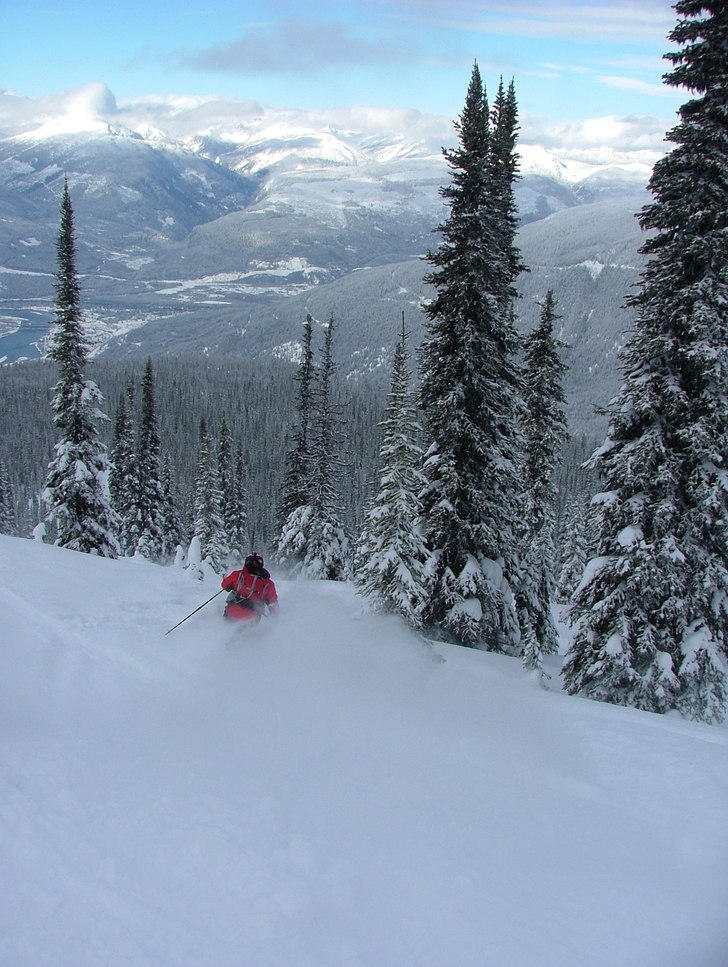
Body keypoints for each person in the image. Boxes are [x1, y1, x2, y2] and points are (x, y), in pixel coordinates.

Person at [221, 552, 279, 623]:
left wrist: (225, 579)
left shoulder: (237, 575)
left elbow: (224, 586)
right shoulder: (268, 583)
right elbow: (273, 604)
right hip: (252, 618)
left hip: (231, 613)